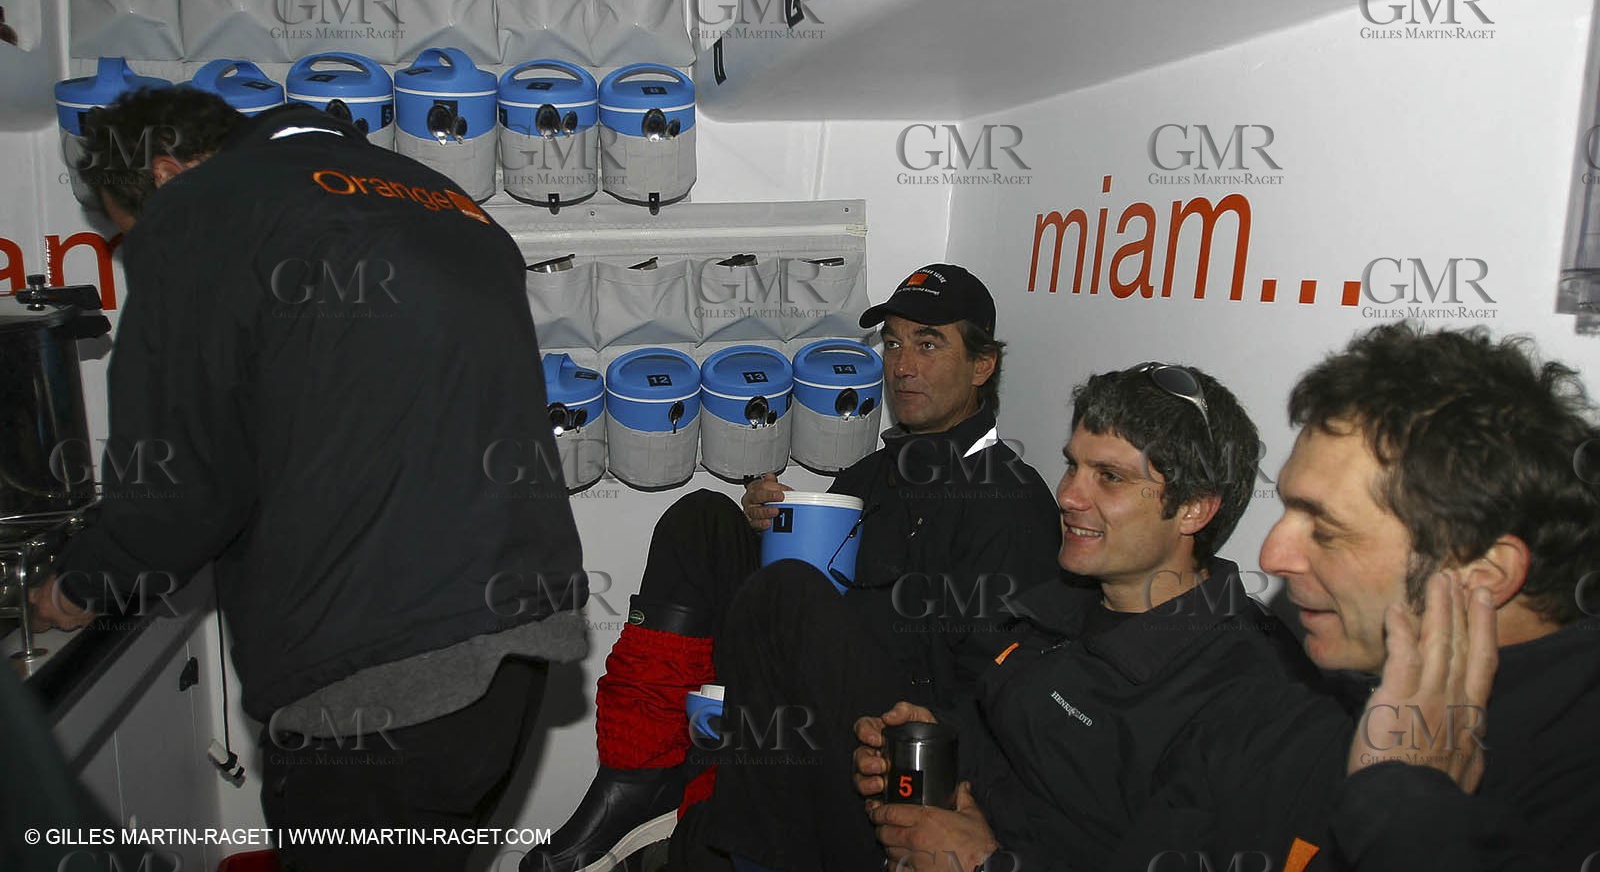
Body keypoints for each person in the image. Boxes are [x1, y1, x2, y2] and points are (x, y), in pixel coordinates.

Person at [29, 87, 589, 872]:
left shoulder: (205, 208)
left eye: (132, 230)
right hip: (516, 646)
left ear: (164, 175)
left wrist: (74, 586)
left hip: (375, 665)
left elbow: (179, 481)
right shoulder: (439, 196)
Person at [528, 264, 1062, 872]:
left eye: (928, 344)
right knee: (703, 519)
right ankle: (638, 777)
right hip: (810, 686)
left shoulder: (1009, 502)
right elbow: (805, 591)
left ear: (982, 365)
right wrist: (770, 530)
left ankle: (727, 816)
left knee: (789, 590)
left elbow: (1001, 695)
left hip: (896, 731)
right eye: (892, 344)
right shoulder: (870, 475)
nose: (902, 366)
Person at [1115, 323, 1600, 871]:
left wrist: (1407, 814)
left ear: (1483, 575)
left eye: (1324, 529)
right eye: (1288, 510)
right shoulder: (1267, 712)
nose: (1273, 556)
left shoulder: (1578, 784)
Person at [850, 362, 1329, 872]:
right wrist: (936, 738)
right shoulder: (1058, 606)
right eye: (1072, 466)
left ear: (1193, 508)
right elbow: (997, 732)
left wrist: (981, 863)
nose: (1068, 496)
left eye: (1110, 477)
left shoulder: (1250, 701)